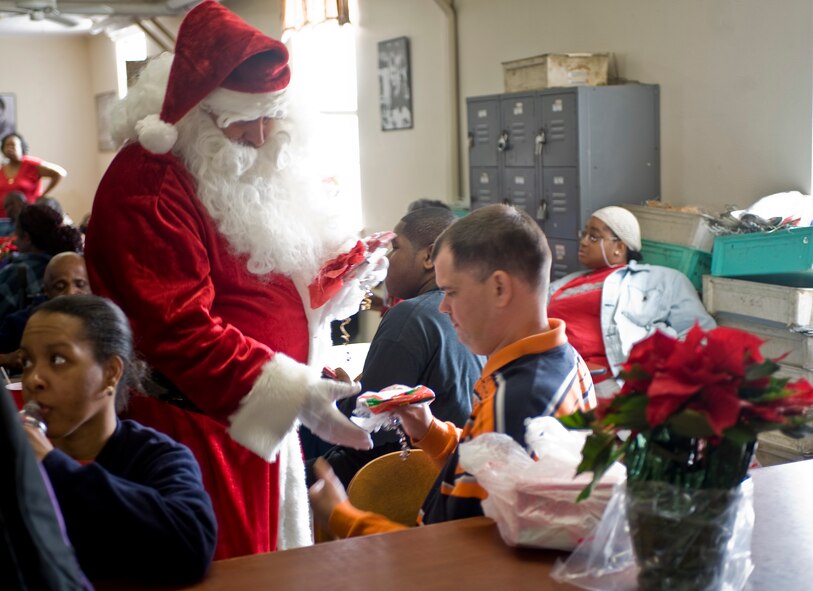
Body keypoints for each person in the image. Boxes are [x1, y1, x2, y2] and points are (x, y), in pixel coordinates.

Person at [84, 1, 384, 557]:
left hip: (254, 426)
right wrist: (292, 391)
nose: (262, 134)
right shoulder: (149, 184)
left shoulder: (230, 164)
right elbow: (177, 330)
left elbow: (258, 277)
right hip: (196, 432)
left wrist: (337, 277)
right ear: (198, 113)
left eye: (273, 115)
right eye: (245, 117)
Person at [309, 204, 596, 537]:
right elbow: (487, 466)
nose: (443, 307)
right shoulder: (567, 360)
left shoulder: (515, 402)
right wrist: (429, 430)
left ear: (500, 288)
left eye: (451, 292)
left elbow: (454, 551)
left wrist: (343, 517)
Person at [19, 294, 217, 583]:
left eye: (57, 359)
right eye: (26, 361)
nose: (33, 379)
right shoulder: (15, 461)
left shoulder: (158, 456)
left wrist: (51, 465)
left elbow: (191, 544)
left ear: (110, 374)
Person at [314, 207, 484, 487]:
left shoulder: (411, 315)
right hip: (450, 470)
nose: (386, 260)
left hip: (398, 476)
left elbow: (362, 427)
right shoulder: (471, 311)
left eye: (396, 248)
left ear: (429, 256)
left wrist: (343, 395)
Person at [548, 206, 715, 387]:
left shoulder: (661, 280)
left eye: (594, 237)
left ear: (619, 248)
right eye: (584, 234)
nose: (584, 242)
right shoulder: (565, 283)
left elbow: (701, 335)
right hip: (548, 372)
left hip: (599, 381)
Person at [0, 252, 91, 368]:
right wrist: (7, 358)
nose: (70, 292)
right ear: (46, 291)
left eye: (80, 285)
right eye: (60, 287)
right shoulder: (21, 323)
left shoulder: (102, 321)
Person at [0, 203, 82, 320]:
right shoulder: (73, 265)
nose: (15, 241)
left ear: (27, 238)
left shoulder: (15, 272)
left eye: (17, 235)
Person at [0, 132, 67, 215]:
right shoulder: (2, 169)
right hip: (3, 217)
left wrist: (42, 195)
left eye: (13, 145)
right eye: (7, 145)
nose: (10, 148)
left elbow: (60, 173)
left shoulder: (31, 165)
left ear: (21, 147)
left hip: (28, 216)